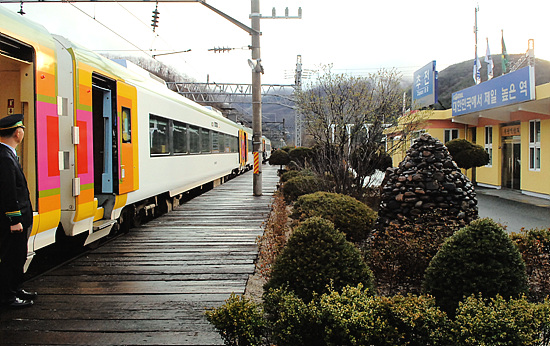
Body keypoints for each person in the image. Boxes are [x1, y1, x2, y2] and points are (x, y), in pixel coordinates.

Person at [0, 113, 36, 308]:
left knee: (19, 255)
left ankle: (15, 288)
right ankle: (7, 296)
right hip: (12, 221)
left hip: (19, 218)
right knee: (11, 258)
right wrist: (14, 220)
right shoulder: (4, 157)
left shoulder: (7, 154)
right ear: (18, 132)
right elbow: (7, 191)